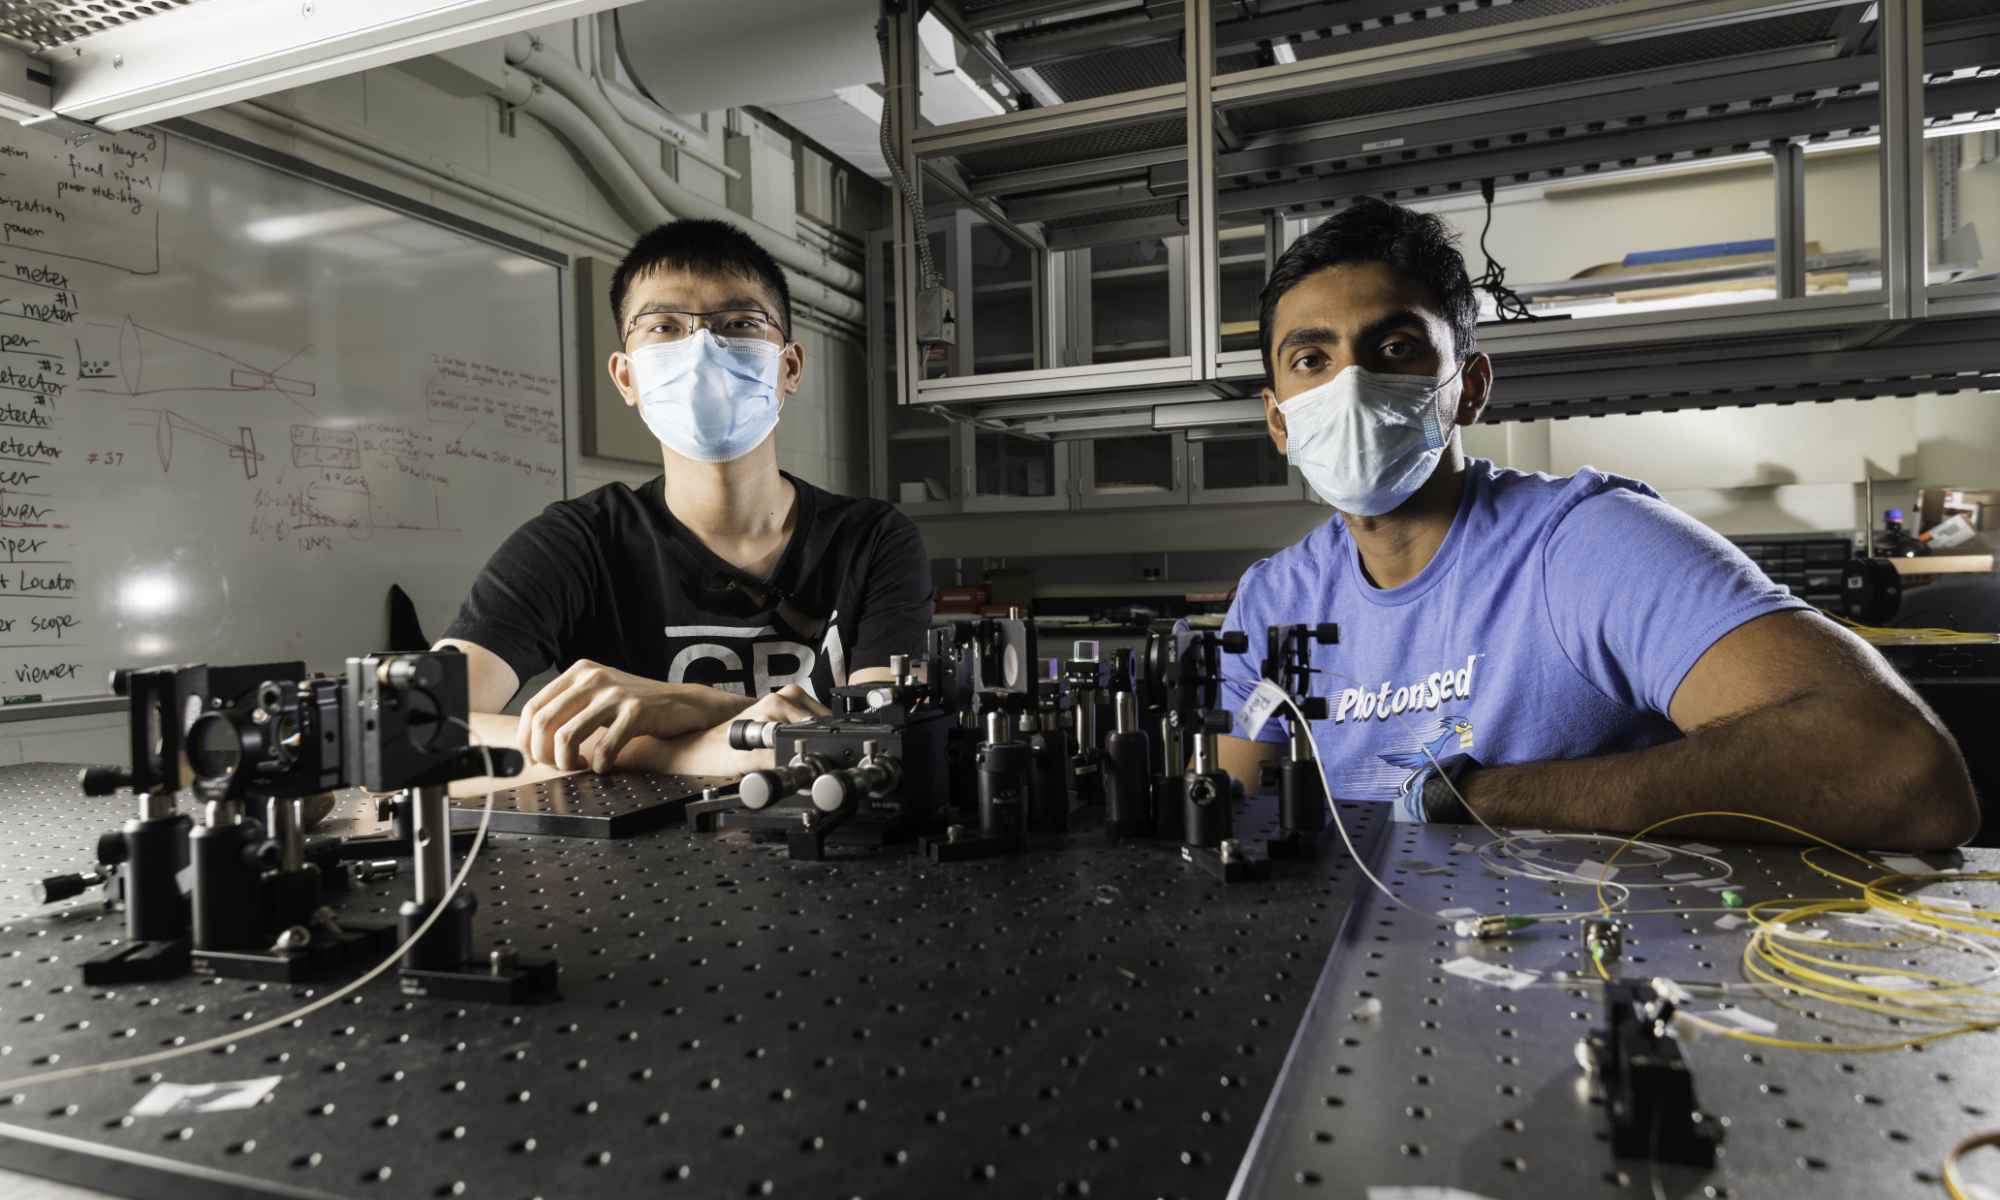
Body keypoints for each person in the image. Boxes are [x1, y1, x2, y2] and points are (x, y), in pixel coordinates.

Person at [1217, 198, 1976, 850]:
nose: (1351, 387)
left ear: (1469, 389)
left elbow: (1902, 772)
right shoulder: (1274, 601)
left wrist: (1484, 799)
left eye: (1394, 348)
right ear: (1279, 421)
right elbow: (1233, 816)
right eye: (1312, 360)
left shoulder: (1587, 544)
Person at [437, 218, 933, 779]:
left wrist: (700, 706)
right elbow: (411, 729)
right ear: (626, 378)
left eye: (740, 323)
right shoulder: (576, 543)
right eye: (664, 327)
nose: (702, 351)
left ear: (789, 366)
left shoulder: (871, 539)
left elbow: (889, 745)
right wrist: (690, 748)